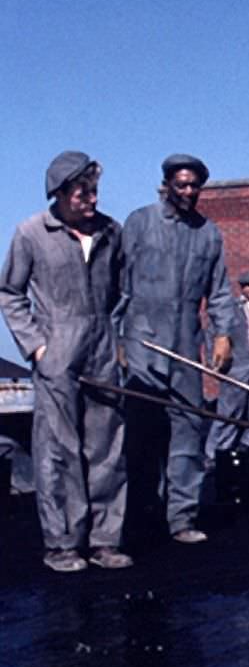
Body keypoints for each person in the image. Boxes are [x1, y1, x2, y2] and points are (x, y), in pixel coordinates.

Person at [0, 152, 132, 572]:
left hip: (103, 349)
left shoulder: (111, 231)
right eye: (82, 192)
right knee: (58, 451)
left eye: (94, 191)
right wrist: (37, 347)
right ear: (58, 193)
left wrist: (117, 338)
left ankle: (104, 541)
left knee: (107, 448)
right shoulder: (31, 233)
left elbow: (124, 290)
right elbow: (9, 293)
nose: (92, 199)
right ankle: (62, 544)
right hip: (56, 350)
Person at [120, 154, 233, 545]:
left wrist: (223, 335)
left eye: (194, 185)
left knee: (187, 430)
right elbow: (118, 284)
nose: (188, 192)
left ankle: (182, 518)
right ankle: (141, 514)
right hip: (142, 340)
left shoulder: (208, 233)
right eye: (181, 184)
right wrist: (118, 340)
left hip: (186, 342)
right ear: (167, 184)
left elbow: (219, 291)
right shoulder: (139, 222)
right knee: (142, 433)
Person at [205, 269, 249, 503]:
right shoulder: (231, 309)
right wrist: (214, 363)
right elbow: (214, 334)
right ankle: (215, 455)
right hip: (234, 371)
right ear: (242, 288)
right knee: (229, 413)